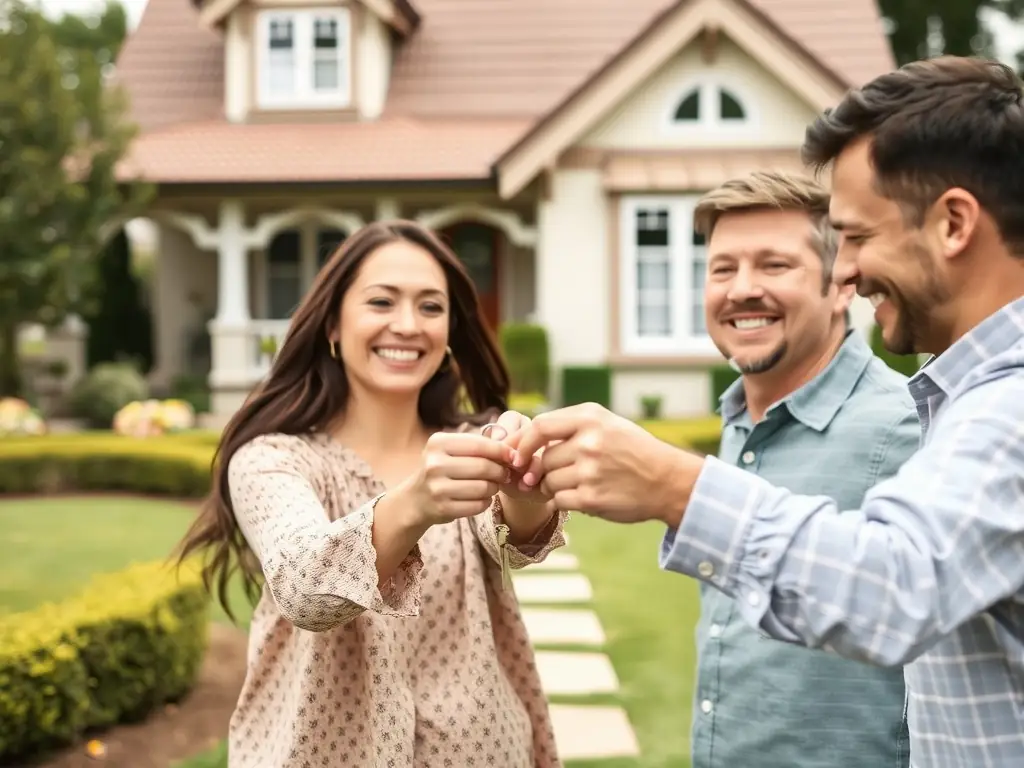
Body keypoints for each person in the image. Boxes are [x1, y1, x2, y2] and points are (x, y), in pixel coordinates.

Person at [505, 55, 1024, 767]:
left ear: (955, 224)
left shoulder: (1001, 408)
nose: (847, 269)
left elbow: (896, 587)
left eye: (860, 238)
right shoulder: (959, 403)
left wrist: (672, 486)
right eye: (721, 268)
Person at [177, 220, 569, 768]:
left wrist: (526, 486)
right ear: (333, 325)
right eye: (382, 302)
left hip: (482, 749)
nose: (408, 325)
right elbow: (304, 587)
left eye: (431, 307)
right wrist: (416, 503)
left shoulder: (470, 446)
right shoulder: (272, 459)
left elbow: (514, 535)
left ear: (451, 329)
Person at [679, 170, 918, 768]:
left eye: (774, 266)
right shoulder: (738, 423)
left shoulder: (905, 430)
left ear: (841, 286)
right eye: (723, 269)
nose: (742, 289)